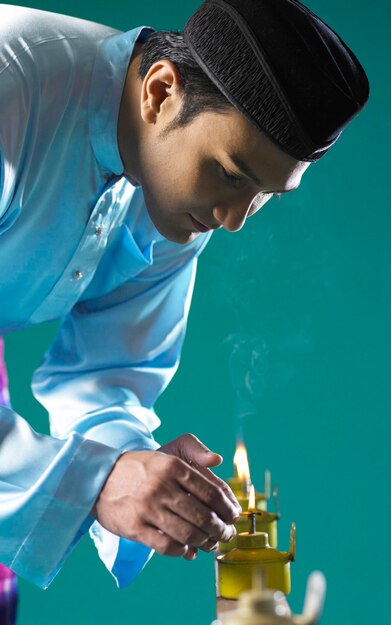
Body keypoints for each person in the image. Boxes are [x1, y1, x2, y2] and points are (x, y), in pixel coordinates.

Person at [0, 0, 369, 593]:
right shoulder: (9, 89)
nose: (233, 220)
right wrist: (93, 482)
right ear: (160, 91)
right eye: (232, 172)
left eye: (264, 194)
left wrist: (140, 472)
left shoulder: (174, 184)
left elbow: (106, 376)